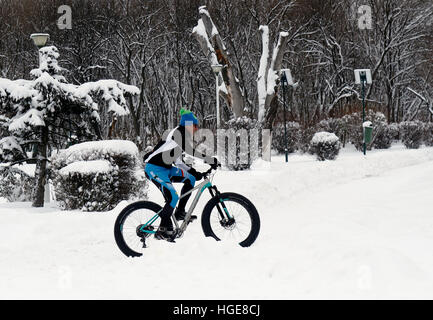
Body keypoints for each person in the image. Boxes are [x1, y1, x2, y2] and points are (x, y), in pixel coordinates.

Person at [143, 108, 219, 242]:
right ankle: (162, 230)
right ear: (189, 124)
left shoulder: (182, 137)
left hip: (166, 169)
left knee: (190, 179)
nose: (197, 129)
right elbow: (189, 151)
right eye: (196, 126)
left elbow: (178, 162)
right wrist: (209, 159)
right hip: (154, 169)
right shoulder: (177, 133)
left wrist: (193, 172)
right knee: (172, 197)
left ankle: (179, 212)